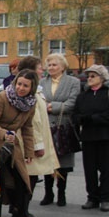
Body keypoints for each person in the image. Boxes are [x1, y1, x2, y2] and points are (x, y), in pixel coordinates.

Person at [0, 69, 42, 217]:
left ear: (32, 88)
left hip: (13, 146)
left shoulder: (31, 103)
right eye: (19, 84)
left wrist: (29, 152)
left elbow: (27, 127)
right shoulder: (3, 97)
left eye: (25, 86)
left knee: (23, 182)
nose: (21, 88)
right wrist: (4, 134)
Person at [15, 56, 60, 217]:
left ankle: (21, 209)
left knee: (28, 179)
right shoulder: (29, 93)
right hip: (30, 144)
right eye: (40, 67)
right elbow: (34, 122)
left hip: (33, 142)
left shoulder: (35, 90)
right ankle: (22, 211)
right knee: (28, 179)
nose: (43, 70)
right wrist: (37, 145)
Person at [39, 53, 81, 207]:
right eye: (49, 65)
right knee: (47, 161)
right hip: (46, 126)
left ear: (63, 66)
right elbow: (39, 101)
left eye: (54, 65)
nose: (51, 68)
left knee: (63, 163)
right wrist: (48, 106)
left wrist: (52, 106)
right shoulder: (42, 82)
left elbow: (72, 102)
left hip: (64, 127)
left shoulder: (73, 82)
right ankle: (48, 193)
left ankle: (61, 193)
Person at [73, 65, 109, 212]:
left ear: (101, 78)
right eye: (88, 76)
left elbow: (108, 116)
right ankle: (92, 197)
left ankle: (104, 198)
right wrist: (84, 119)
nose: (89, 79)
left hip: (105, 137)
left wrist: (91, 118)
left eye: (93, 76)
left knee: (106, 169)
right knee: (89, 169)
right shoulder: (83, 96)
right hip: (88, 137)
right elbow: (76, 116)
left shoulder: (107, 94)